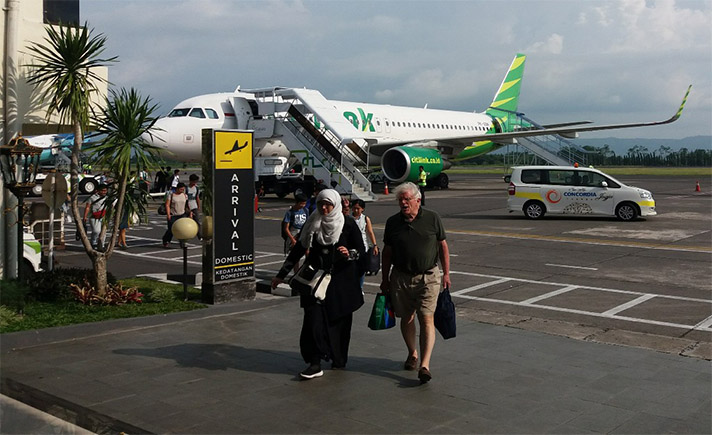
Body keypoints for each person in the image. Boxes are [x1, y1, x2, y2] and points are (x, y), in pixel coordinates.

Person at [271, 189, 365, 380]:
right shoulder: (312, 222)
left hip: (340, 283)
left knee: (338, 323)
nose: (324, 207)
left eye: (328, 204)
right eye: (321, 203)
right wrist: (281, 275)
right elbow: (299, 249)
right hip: (314, 281)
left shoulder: (347, 224)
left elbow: (361, 251)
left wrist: (349, 253)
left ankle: (338, 358)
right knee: (312, 321)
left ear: (335, 205)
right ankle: (314, 362)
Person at [380, 182, 450, 384]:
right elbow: (387, 253)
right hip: (401, 277)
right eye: (400, 199)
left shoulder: (432, 218)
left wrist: (446, 274)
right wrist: (384, 279)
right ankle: (413, 353)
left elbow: (442, 246)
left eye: (407, 199)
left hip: (428, 277)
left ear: (417, 200)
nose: (403, 203)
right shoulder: (393, 222)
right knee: (407, 317)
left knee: (426, 318)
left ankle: (425, 365)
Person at [162, 182, 191, 248]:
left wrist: (190, 213)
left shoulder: (184, 195)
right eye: (181, 189)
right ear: (177, 189)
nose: (182, 191)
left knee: (182, 229)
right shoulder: (171, 195)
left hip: (182, 214)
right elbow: (167, 205)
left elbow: (187, 205)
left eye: (183, 189)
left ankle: (182, 242)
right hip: (173, 215)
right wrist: (168, 214)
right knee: (171, 229)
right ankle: (166, 240)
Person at [82, 184, 109, 250]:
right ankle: (93, 242)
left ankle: (102, 245)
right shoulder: (92, 197)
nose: (104, 192)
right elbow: (88, 207)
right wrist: (85, 216)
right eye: (102, 190)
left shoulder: (107, 198)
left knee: (103, 231)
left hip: (104, 216)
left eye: (105, 190)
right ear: (98, 191)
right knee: (96, 231)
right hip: (94, 216)